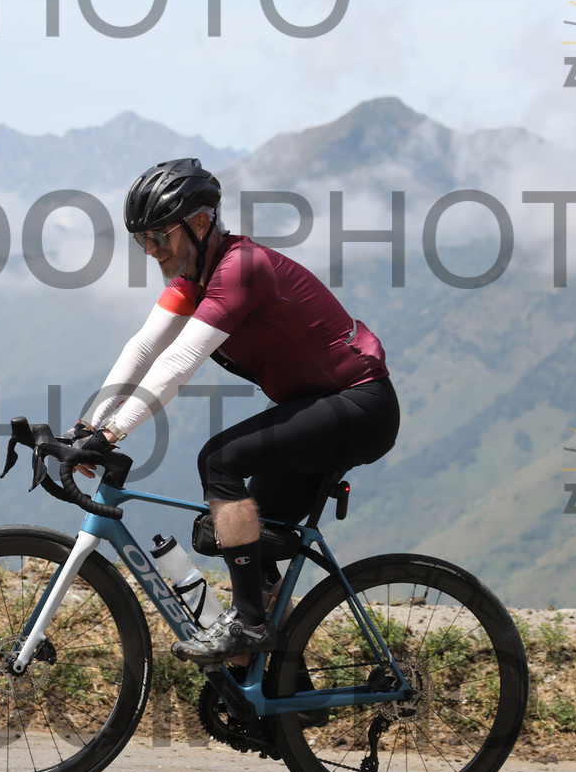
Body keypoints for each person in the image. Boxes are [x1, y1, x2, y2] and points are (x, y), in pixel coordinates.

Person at [72, 158, 400, 664]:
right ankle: (275, 685)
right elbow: (144, 348)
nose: (151, 250)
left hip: (359, 404)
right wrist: (87, 424)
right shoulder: (192, 278)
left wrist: (111, 434)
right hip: (318, 408)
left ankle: (249, 625)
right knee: (234, 536)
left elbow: (179, 361)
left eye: (159, 235)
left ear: (202, 223)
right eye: (141, 240)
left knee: (219, 460)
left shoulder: (241, 269)